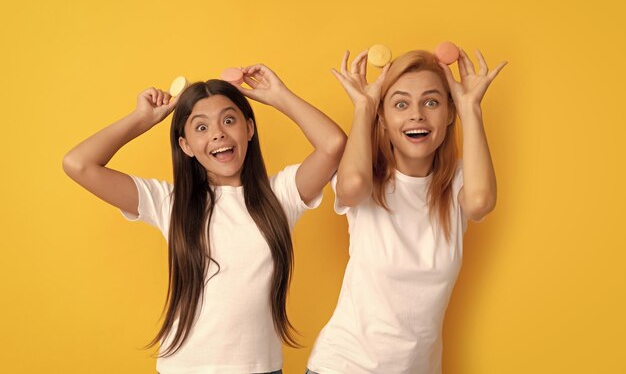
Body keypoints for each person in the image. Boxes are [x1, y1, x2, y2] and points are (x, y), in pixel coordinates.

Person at [63, 64, 346, 374]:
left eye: (229, 120)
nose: (218, 134)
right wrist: (141, 119)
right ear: (185, 146)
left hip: (261, 368)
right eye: (201, 127)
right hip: (185, 368)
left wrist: (279, 96)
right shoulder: (169, 203)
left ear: (249, 129)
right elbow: (78, 164)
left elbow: (332, 144)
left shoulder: (281, 195)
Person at [306, 48, 507, 374]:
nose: (417, 115)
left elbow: (482, 201)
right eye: (401, 104)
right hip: (345, 366)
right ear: (383, 118)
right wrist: (363, 107)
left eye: (432, 102)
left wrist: (471, 108)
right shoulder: (367, 176)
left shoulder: (456, 183)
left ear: (449, 113)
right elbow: (352, 186)